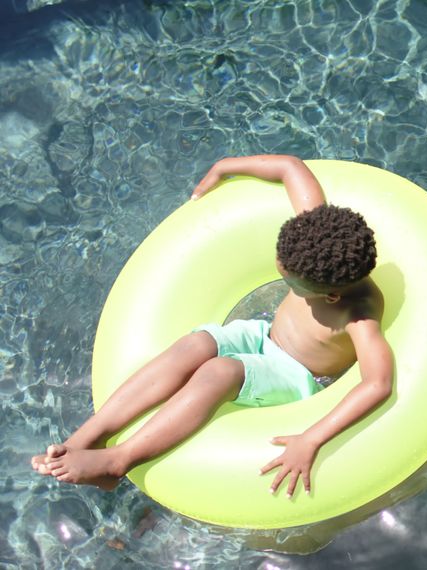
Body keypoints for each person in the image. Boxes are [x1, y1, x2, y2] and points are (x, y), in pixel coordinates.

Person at [30, 155, 393, 498]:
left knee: (219, 371)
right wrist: (224, 166)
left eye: (292, 281)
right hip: (262, 335)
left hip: (296, 374)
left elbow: (376, 384)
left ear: (330, 296)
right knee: (196, 345)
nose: (283, 274)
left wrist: (311, 439)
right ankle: (88, 436)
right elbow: (290, 168)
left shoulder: (358, 315)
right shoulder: (316, 235)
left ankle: (117, 462)